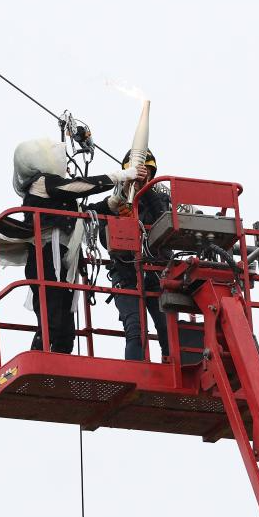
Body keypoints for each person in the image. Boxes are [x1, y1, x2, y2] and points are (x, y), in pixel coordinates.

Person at [12, 139, 136, 354]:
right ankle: (38, 358)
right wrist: (119, 176)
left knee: (66, 327)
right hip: (47, 257)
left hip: (64, 260)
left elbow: (82, 213)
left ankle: (58, 363)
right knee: (51, 318)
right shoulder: (42, 183)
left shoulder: (57, 193)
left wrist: (112, 203)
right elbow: (79, 187)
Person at [91, 149, 172, 361]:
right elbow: (102, 237)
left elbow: (164, 222)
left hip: (157, 276)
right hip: (126, 276)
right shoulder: (113, 203)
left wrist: (146, 190)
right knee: (135, 329)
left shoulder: (160, 199)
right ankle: (139, 373)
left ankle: (171, 370)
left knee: (168, 331)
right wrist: (119, 215)